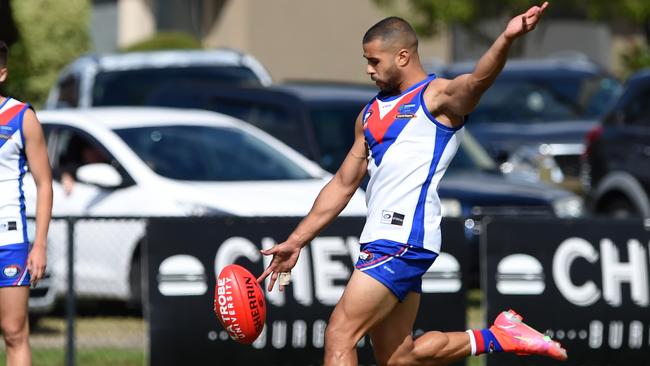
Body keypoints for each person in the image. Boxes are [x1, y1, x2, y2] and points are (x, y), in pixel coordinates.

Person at [258, 3, 567, 366]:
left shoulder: (435, 98)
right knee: (399, 356)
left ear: (403, 56)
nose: (368, 69)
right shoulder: (370, 113)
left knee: (340, 334)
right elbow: (342, 184)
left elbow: (477, 80)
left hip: (402, 237)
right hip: (382, 238)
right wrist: (297, 241)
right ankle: (499, 336)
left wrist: (506, 38)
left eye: (375, 61)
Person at [0, 40, 53, 365]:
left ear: (2, 73)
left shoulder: (21, 116)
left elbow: (45, 184)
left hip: (9, 240)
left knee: (14, 331)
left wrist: (40, 246)